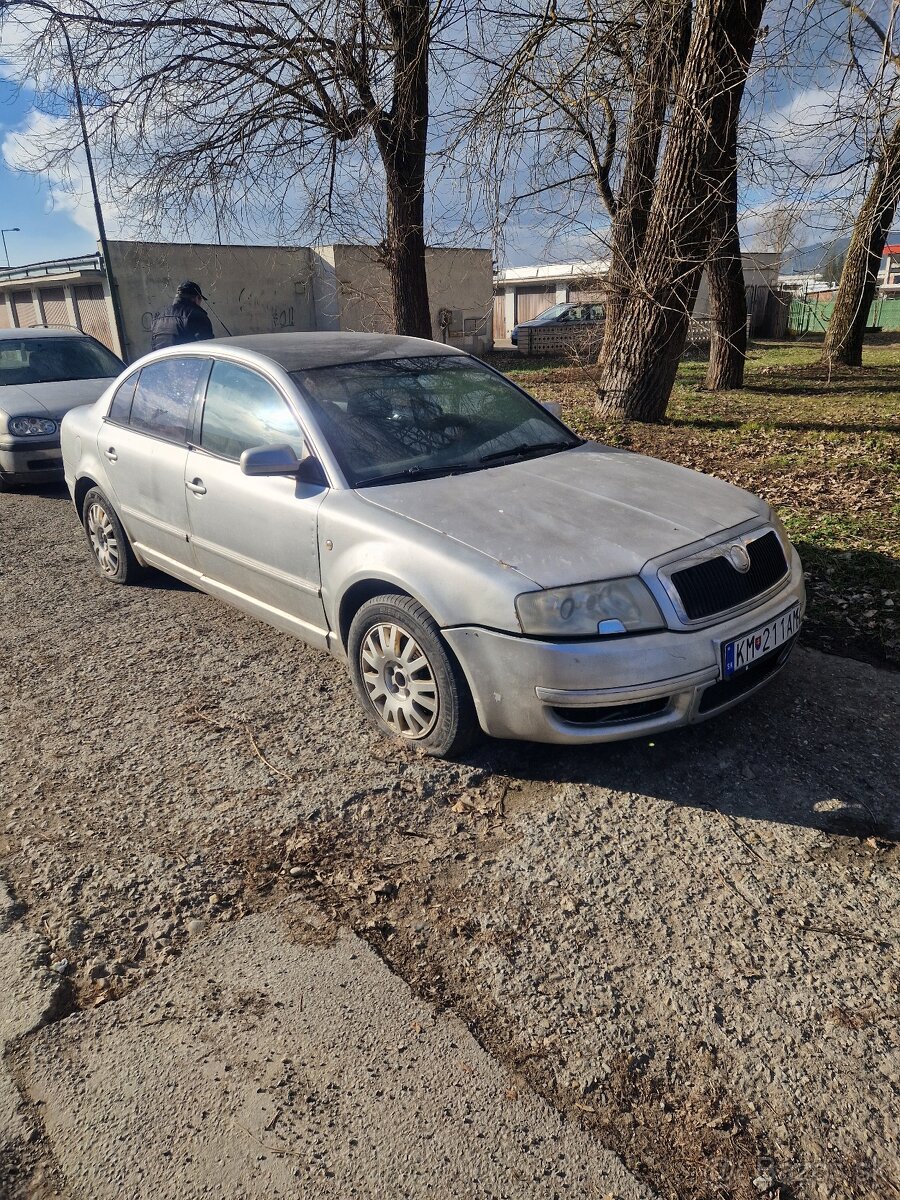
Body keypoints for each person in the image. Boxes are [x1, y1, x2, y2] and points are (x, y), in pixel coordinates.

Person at [150, 281, 215, 350]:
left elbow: (154, 347)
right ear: (196, 298)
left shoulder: (158, 318)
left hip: (162, 360)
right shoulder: (195, 315)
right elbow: (207, 347)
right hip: (187, 360)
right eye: (200, 299)